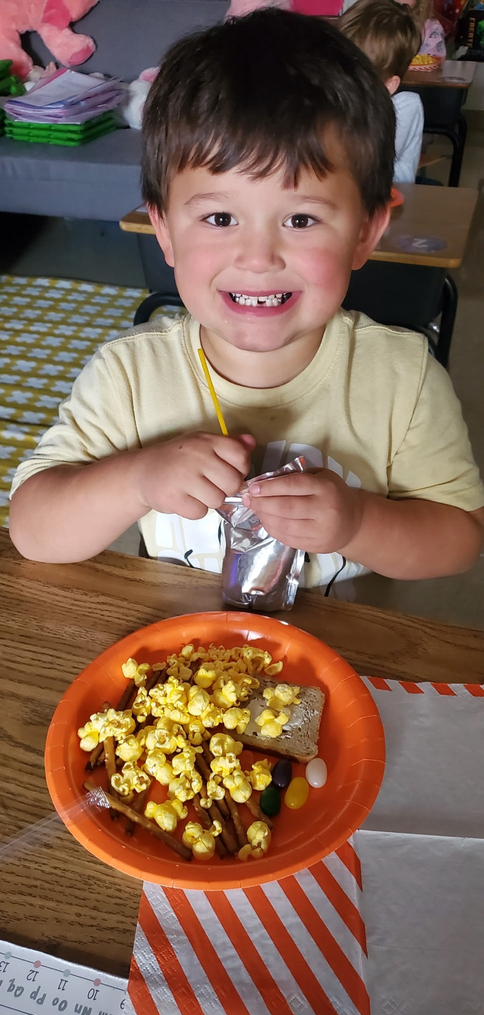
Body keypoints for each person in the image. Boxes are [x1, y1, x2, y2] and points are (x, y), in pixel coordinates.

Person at [8, 9, 484, 593]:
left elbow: (460, 537)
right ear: (164, 231)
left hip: (336, 662)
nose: (258, 258)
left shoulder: (404, 380)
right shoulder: (128, 377)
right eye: (220, 217)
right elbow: (32, 530)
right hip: (180, 668)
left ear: (365, 232)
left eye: (302, 218)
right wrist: (135, 479)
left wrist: (360, 521)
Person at [339, 0, 424, 182]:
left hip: (392, 195)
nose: (342, 81)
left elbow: (365, 166)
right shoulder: (338, 96)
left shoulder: (406, 106)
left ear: (389, 86)